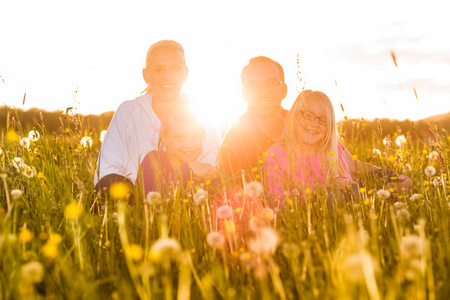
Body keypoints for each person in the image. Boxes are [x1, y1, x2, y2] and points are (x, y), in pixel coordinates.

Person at [94, 40, 219, 197]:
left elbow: (210, 169)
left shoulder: (203, 115)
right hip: (134, 201)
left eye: (174, 68)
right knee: (107, 187)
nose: (167, 76)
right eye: (159, 69)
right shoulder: (128, 112)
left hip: (189, 199)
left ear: (185, 73)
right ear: (146, 75)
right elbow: (107, 171)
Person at [264, 89, 412, 202]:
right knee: (335, 196)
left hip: (356, 202)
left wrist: (395, 178)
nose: (314, 123)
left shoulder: (332, 147)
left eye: (323, 120)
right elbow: (279, 207)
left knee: (386, 175)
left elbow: (358, 166)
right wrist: (327, 188)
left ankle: (392, 192)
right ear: (293, 116)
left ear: (329, 126)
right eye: (308, 115)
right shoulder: (275, 157)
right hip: (320, 216)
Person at [219, 56, 288, 181]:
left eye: (271, 83)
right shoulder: (232, 143)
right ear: (244, 93)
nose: (263, 91)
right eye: (253, 84)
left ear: (284, 90)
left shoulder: (305, 127)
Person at [138, 101, 211, 196]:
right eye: (180, 137)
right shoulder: (153, 160)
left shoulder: (200, 171)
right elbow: (150, 198)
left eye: (196, 136)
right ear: (164, 137)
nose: (190, 145)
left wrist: (219, 175)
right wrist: (186, 169)